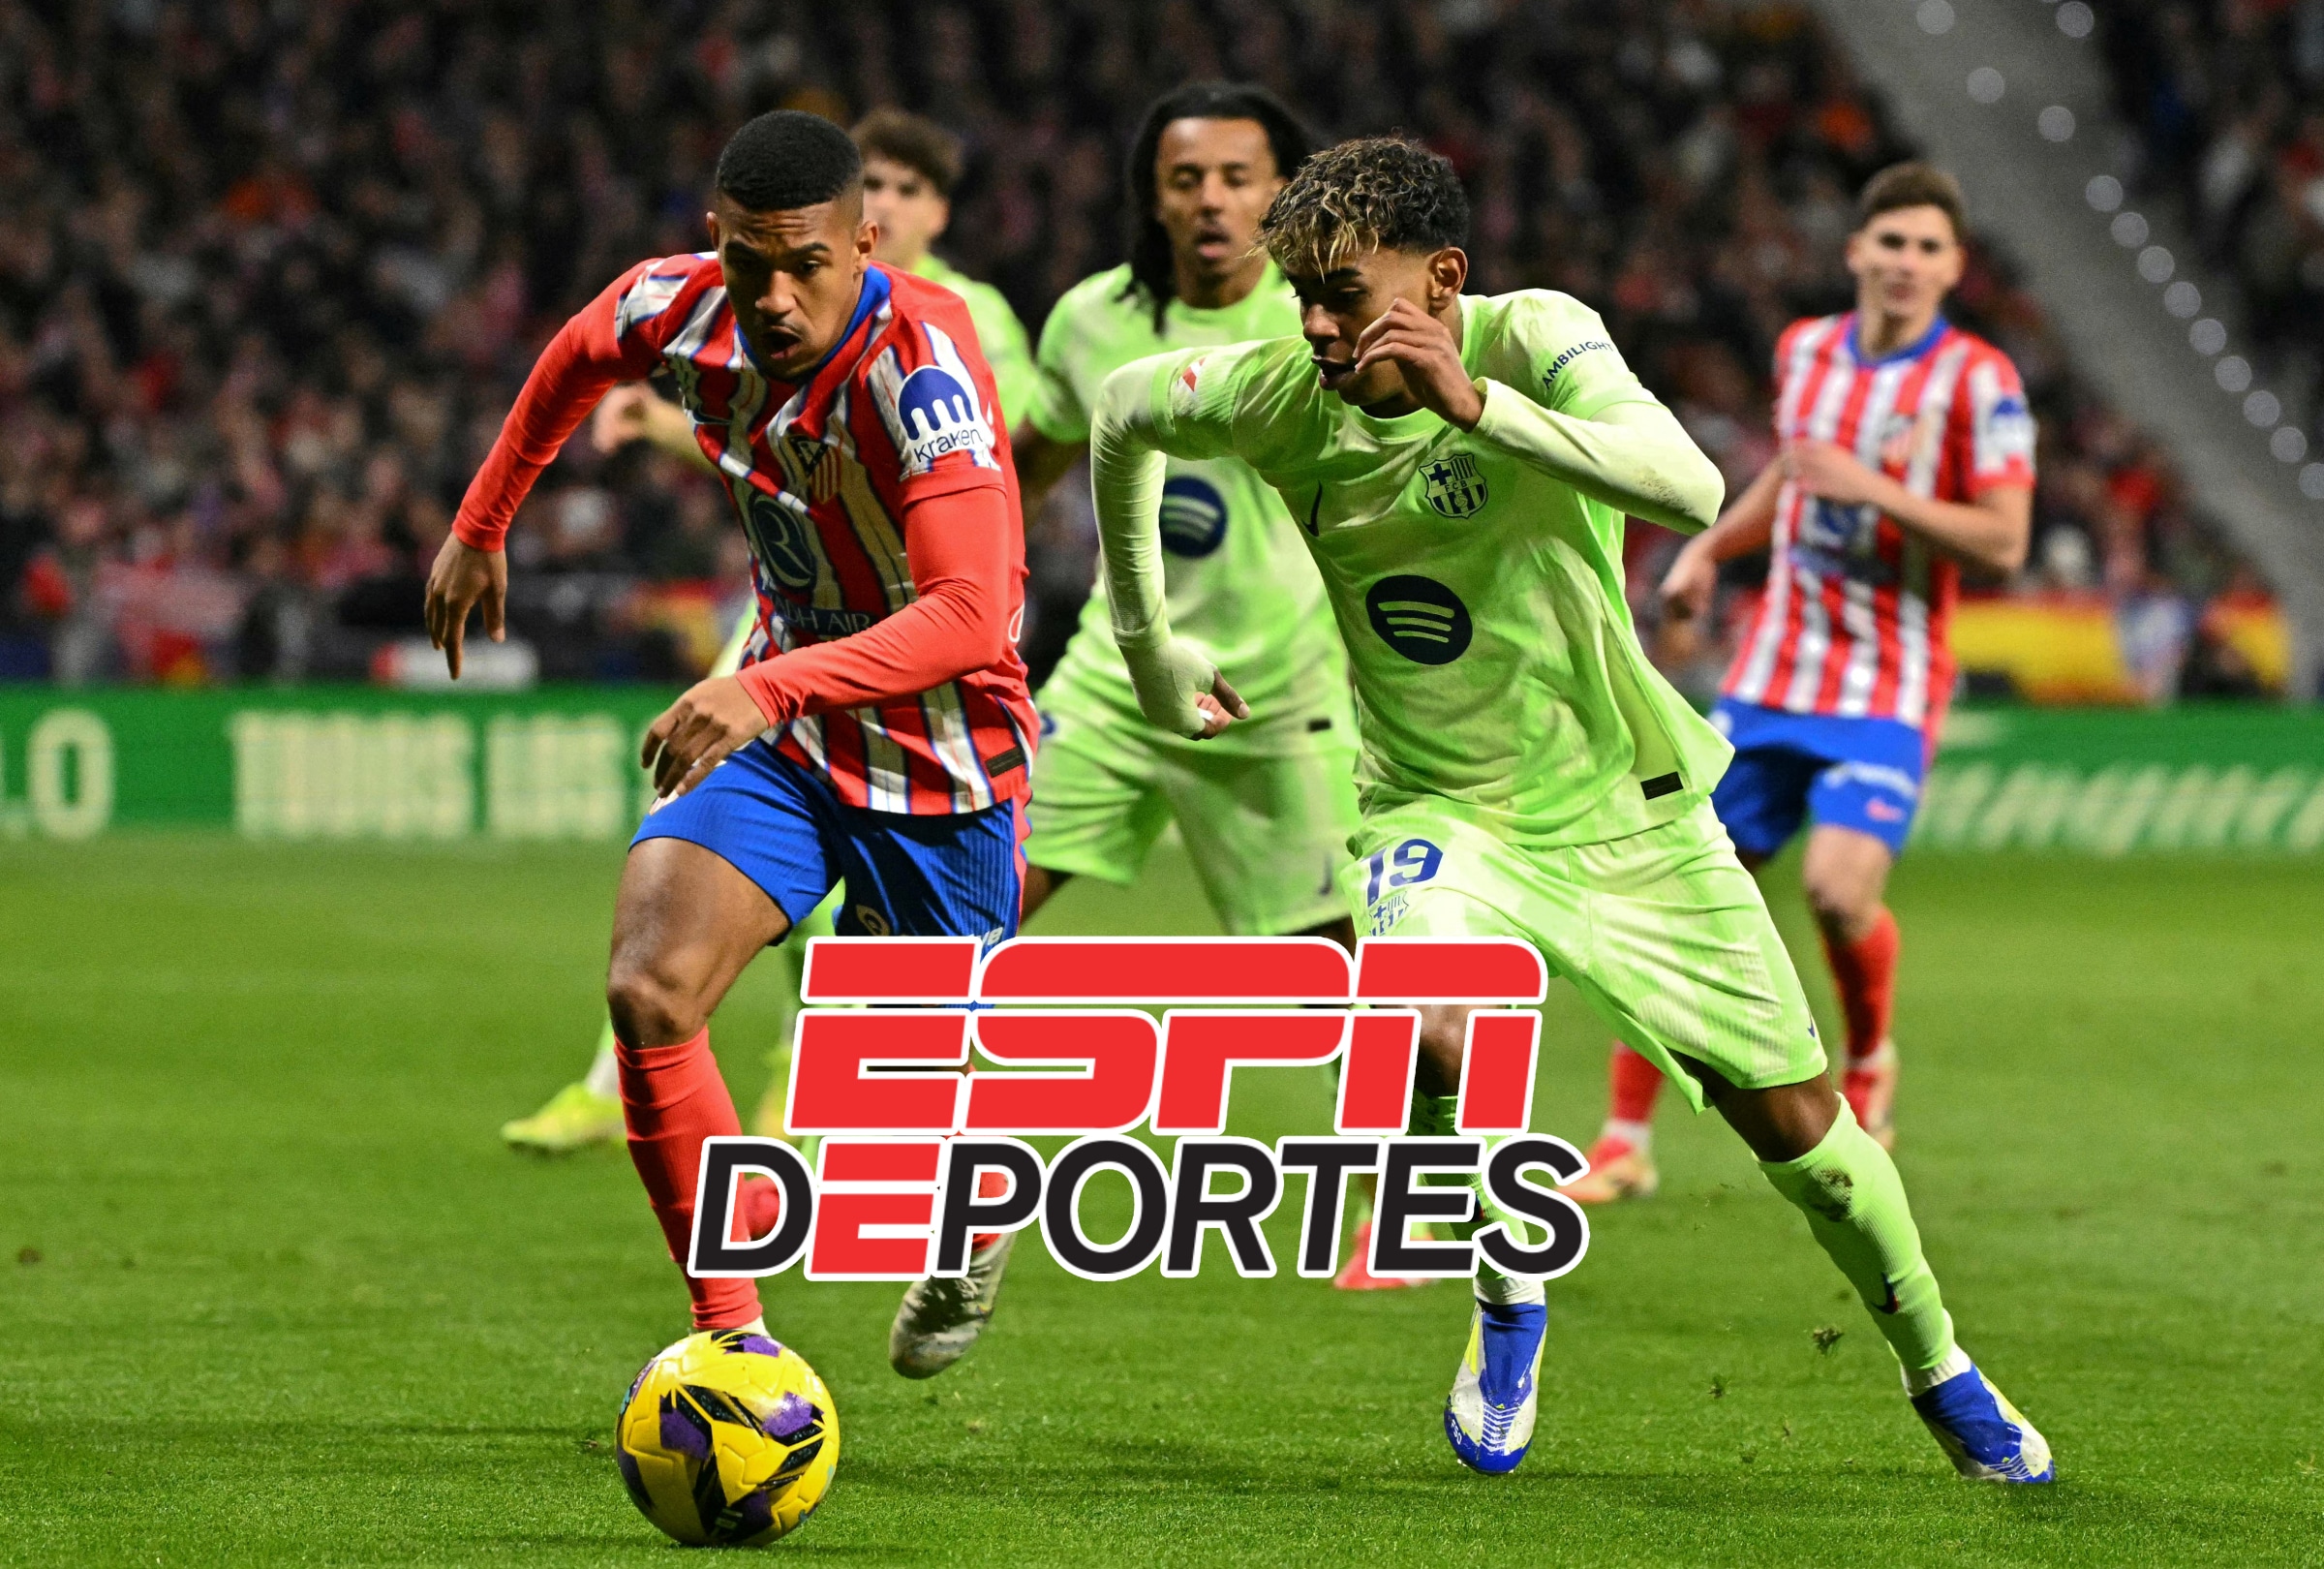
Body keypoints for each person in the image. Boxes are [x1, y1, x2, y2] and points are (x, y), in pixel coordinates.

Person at [1084, 137, 2051, 1484]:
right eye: (1299, 290)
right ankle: (1503, 1292)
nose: (1313, 322)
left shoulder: (1537, 339)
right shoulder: (1275, 396)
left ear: (1443, 279)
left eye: (1344, 294)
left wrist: (1474, 403)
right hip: (1441, 810)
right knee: (1426, 1024)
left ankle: (1938, 1362)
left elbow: (1690, 486)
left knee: (1804, 1139)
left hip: (1630, 812)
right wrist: (1152, 645)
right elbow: (1125, 414)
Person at [427, 110, 1037, 1353]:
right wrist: (482, 523)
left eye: (805, 262)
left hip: (940, 756)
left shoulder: (921, 367)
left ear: (865, 242)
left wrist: (766, 686)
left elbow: (972, 615)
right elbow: (575, 353)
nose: (772, 293)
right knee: (650, 990)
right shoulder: (685, 301)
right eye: (748, 260)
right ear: (717, 240)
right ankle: (732, 1337)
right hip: (797, 734)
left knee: (914, 1104)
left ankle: (969, 1219)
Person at [1005, 83, 1416, 1291]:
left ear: (1286, 190)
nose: (1213, 200)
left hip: (1281, 687)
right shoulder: (1092, 319)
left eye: (1239, 177)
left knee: (1336, 971)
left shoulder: (1328, 323)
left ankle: (1415, 1188)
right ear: (1154, 195)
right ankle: (903, 1151)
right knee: (979, 886)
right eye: (1187, 179)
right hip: (1118, 672)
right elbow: (1029, 456)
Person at [1565, 164, 2034, 1204]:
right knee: (1679, 897)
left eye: (1928, 249)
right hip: (1772, 676)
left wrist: (1876, 489)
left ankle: (1868, 1063)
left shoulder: (1980, 382)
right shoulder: (1806, 349)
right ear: (1856, 252)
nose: (1907, 264)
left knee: (1833, 889)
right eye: (1891, 243)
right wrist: (1709, 551)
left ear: (1954, 268)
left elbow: (2003, 540)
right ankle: (1625, 1139)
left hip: (1889, 683)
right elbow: (1792, 473)